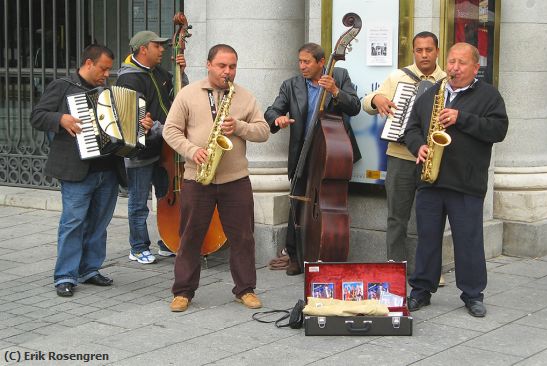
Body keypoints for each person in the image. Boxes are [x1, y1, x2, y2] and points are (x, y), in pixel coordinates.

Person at [404, 42, 508, 317]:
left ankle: (473, 294)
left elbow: (498, 129)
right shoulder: (432, 93)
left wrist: (461, 118)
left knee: (469, 241)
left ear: (476, 67)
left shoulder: (489, 96)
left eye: (462, 63)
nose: (454, 68)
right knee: (427, 239)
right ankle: (421, 290)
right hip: (431, 181)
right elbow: (411, 127)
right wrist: (419, 147)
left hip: (466, 183)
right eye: (451, 62)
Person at [163, 44, 270, 312]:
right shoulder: (188, 94)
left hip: (235, 179)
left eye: (232, 66)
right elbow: (170, 130)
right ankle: (183, 291)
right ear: (208, 64)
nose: (228, 72)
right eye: (222, 66)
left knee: (243, 236)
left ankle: (245, 289)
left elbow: (263, 131)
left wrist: (240, 127)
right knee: (190, 236)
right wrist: (193, 150)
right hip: (197, 177)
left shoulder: (244, 96)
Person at [30, 44, 124, 297]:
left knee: (99, 224)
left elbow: (120, 127)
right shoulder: (63, 86)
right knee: (73, 223)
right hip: (77, 170)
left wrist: (140, 125)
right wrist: (60, 119)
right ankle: (65, 275)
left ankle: (90, 269)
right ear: (89, 63)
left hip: (108, 169)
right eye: (103, 69)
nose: (107, 74)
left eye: (109, 69)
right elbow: (37, 116)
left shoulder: (107, 92)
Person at [264, 42, 361, 275]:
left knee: (327, 205)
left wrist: (336, 91)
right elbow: (272, 110)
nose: (302, 66)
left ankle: (324, 252)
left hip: (330, 155)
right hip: (302, 153)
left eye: (307, 62)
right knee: (296, 205)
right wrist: (277, 119)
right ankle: (295, 257)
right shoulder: (291, 85)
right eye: (300, 61)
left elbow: (355, 107)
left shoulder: (339, 75)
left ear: (321, 62)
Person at [363, 32, 447, 286]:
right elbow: (367, 102)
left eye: (428, 50)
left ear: (437, 51)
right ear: (413, 51)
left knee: (431, 220)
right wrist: (376, 99)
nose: (424, 55)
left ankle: (431, 271)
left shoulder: (446, 80)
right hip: (399, 156)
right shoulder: (398, 77)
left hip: (433, 158)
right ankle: (394, 267)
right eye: (419, 50)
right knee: (396, 217)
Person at [116, 30, 187, 264]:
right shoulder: (129, 79)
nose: (163, 49)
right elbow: (135, 122)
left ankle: (167, 241)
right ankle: (137, 247)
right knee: (138, 202)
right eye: (158, 46)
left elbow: (179, 94)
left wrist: (181, 72)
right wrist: (167, 130)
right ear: (143, 49)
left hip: (163, 150)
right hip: (141, 152)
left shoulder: (157, 72)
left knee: (166, 196)